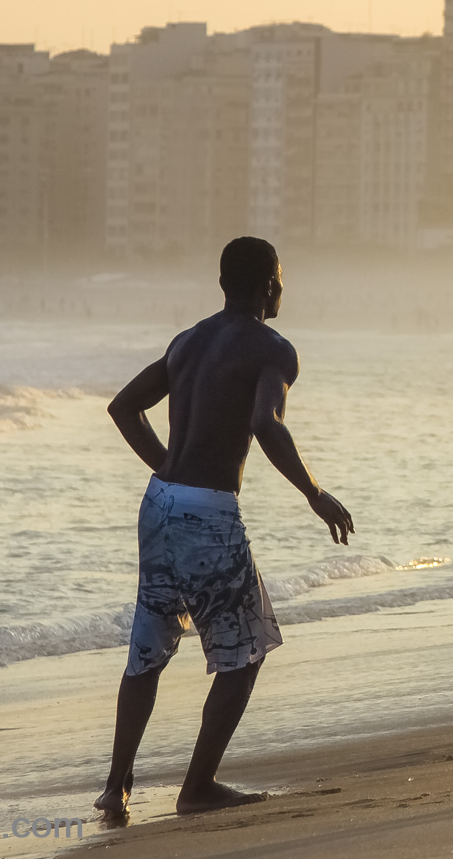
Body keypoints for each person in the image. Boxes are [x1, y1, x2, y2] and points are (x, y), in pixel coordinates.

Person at [95, 237, 355, 818]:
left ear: (222, 283)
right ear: (268, 285)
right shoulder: (273, 349)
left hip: (159, 502)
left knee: (148, 649)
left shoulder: (188, 341)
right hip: (207, 513)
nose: (284, 288)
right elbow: (266, 423)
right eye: (281, 278)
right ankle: (198, 788)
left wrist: (168, 470)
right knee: (246, 650)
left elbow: (123, 407)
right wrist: (314, 492)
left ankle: (116, 787)